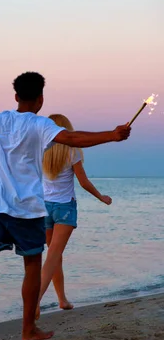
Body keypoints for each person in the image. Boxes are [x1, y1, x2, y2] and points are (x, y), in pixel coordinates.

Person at [0, 72, 131, 340]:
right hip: (26, 209)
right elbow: (74, 139)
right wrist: (112, 135)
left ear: (16, 97)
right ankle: (28, 329)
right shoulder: (39, 125)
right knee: (32, 264)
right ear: (40, 99)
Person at [36, 113, 112, 319]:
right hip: (64, 208)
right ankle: (35, 302)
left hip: (44, 208)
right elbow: (84, 182)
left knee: (54, 256)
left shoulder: (40, 150)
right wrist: (101, 197)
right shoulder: (72, 151)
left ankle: (62, 300)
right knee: (53, 257)